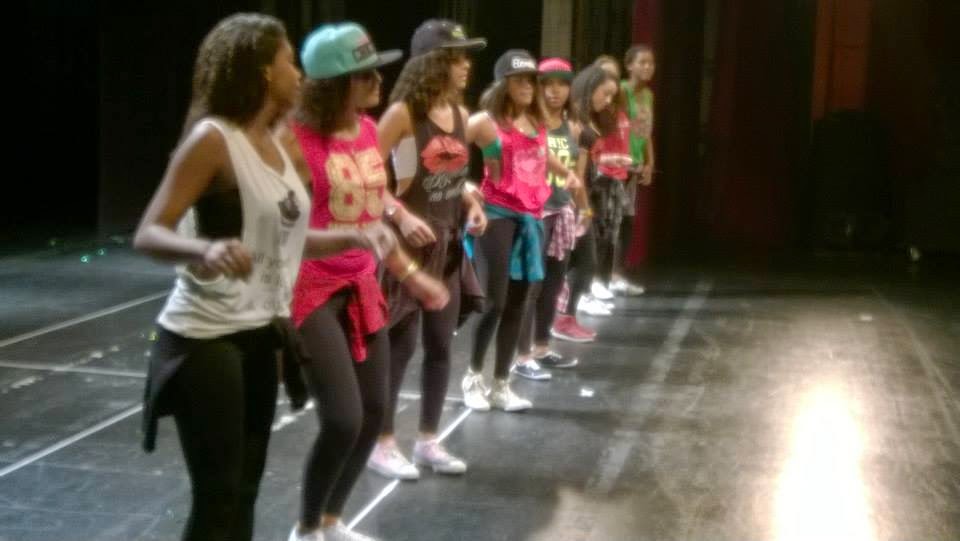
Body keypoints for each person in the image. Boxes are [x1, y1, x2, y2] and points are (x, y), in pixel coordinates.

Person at [135, 13, 395, 541]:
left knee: (248, 489)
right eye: (289, 63)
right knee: (218, 495)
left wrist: (351, 236)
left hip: (261, 332)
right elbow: (149, 232)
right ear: (261, 72)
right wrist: (204, 247)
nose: (299, 75)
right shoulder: (213, 139)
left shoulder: (277, 143)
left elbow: (286, 240)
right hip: (206, 337)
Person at [286, 22, 449, 541]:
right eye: (365, 74)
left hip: (361, 283)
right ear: (334, 84)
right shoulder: (295, 142)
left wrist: (411, 275)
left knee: (375, 412)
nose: (379, 80)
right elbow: (280, 227)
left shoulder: (366, 130)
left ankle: (330, 521)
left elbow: (373, 211)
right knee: (342, 419)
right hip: (310, 290)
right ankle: (306, 528)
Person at [367, 19, 488, 480]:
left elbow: (454, 178)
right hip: (406, 247)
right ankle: (382, 442)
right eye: (457, 57)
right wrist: (399, 215)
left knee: (440, 343)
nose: (466, 65)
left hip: (447, 245)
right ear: (433, 63)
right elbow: (365, 179)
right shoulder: (402, 114)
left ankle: (428, 440)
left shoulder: (459, 114)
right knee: (399, 347)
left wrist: (471, 203)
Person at [462, 49, 581, 412]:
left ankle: (501, 384)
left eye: (531, 80)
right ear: (504, 84)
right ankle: (473, 376)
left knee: (518, 301)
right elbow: (446, 149)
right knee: (495, 302)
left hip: (531, 218)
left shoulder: (537, 121)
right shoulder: (486, 122)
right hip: (496, 216)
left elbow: (543, 153)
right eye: (520, 81)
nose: (528, 86)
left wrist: (566, 173)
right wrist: (464, 186)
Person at [513, 57, 587, 379]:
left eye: (562, 84)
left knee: (554, 283)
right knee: (531, 284)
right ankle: (522, 355)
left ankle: (542, 347)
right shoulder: (528, 122)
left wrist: (583, 208)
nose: (555, 91)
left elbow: (576, 175)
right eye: (548, 84)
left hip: (562, 208)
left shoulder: (573, 126)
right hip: (536, 211)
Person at [613, 44, 657, 296]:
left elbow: (646, 132)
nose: (648, 67)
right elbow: (614, 126)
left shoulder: (648, 95)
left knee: (627, 221)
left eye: (651, 63)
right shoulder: (621, 91)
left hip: (636, 164)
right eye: (642, 62)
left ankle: (617, 273)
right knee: (613, 221)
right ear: (629, 65)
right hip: (619, 164)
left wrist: (650, 163)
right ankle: (607, 275)